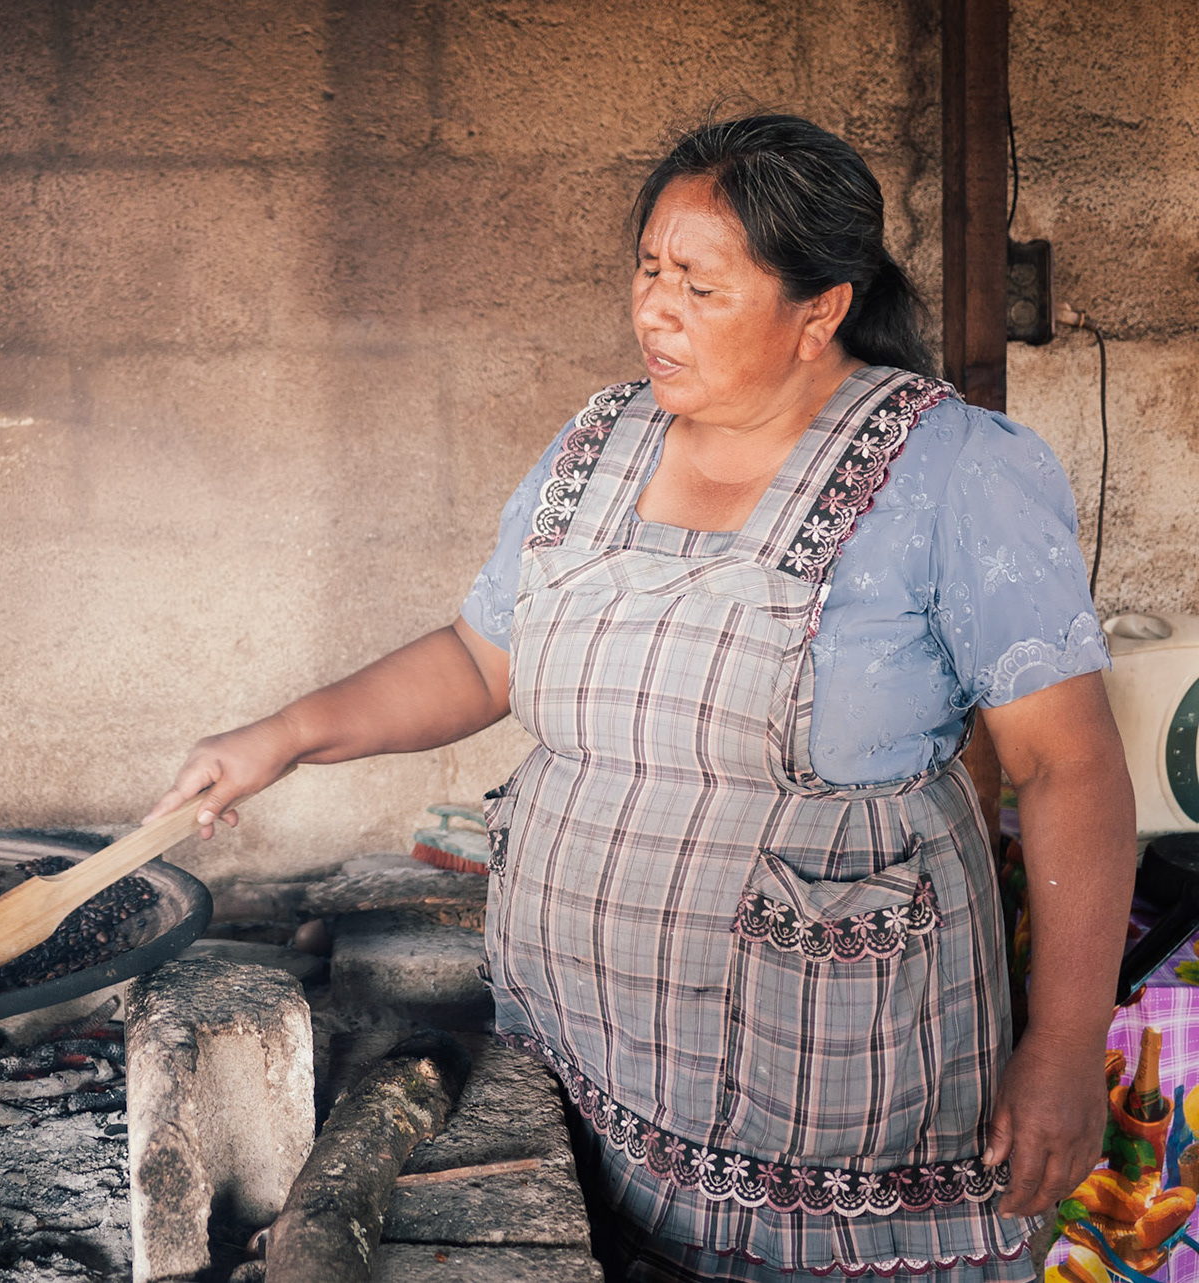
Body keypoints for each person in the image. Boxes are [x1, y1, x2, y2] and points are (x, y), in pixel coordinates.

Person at [148, 114, 1136, 1281]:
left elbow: (1067, 766)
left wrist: (1069, 1045)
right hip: (593, 1058)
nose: (654, 309)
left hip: (833, 1078)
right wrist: (284, 736)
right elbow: (483, 661)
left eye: (701, 287)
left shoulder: (953, 471)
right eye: (649, 270)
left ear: (820, 308)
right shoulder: (598, 441)